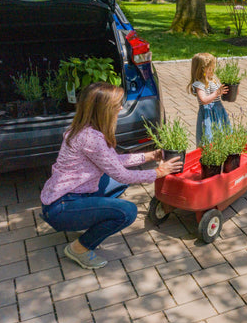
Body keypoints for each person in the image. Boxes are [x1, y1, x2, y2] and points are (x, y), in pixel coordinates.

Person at [40, 82, 182, 269]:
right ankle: (79, 248)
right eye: (117, 105)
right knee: (127, 211)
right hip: (62, 206)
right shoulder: (92, 138)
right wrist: (158, 172)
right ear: (103, 110)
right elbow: (123, 174)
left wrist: (148, 155)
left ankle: (89, 215)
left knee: (115, 182)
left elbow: (112, 161)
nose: (121, 107)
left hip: (61, 198)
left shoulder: (84, 128)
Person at [187, 52, 230, 146]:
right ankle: (209, 153)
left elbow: (220, 93)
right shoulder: (199, 84)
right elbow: (204, 100)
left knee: (221, 134)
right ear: (201, 69)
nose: (213, 69)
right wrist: (216, 93)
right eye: (210, 67)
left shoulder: (213, 80)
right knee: (209, 136)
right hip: (208, 114)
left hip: (219, 111)